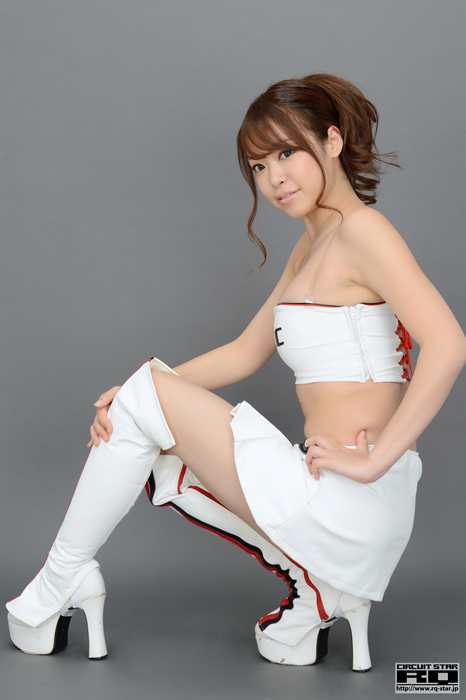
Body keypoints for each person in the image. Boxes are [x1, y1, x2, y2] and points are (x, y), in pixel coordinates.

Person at [5, 73, 466, 671]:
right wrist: (139, 394)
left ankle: (57, 585)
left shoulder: (363, 232)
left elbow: (448, 344)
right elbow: (246, 351)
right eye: (258, 166)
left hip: (354, 499)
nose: (274, 178)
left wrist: (374, 461)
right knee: (147, 418)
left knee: (147, 404)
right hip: (327, 493)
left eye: (287, 152)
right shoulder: (313, 245)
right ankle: (319, 589)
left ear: (332, 141)